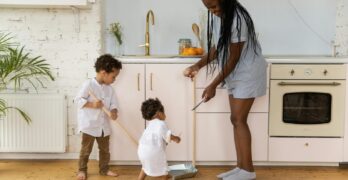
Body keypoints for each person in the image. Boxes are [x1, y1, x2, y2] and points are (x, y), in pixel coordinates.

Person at [183, 0, 267, 179]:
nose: (212, 11)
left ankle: (248, 171)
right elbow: (217, 49)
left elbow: (234, 56)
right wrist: (197, 66)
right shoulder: (222, 17)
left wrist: (213, 85)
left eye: (214, 6)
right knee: (235, 119)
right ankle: (241, 167)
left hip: (248, 72)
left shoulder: (238, 19)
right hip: (235, 73)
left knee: (239, 119)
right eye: (208, 8)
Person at [75, 54, 122, 180]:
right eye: (113, 76)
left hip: (103, 126)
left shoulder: (110, 89)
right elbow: (78, 100)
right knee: (86, 150)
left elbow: (114, 103)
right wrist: (92, 104)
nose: (114, 79)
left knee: (105, 150)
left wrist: (114, 111)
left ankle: (104, 169)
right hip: (89, 125)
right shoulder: (88, 85)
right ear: (103, 73)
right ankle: (82, 170)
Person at [137, 98, 181, 180]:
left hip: (141, 152)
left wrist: (165, 142)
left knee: (145, 167)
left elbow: (159, 138)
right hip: (153, 153)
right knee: (164, 171)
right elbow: (168, 136)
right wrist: (176, 138)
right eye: (163, 112)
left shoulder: (150, 125)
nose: (165, 115)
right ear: (158, 113)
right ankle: (164, 176)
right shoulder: (161, 123)